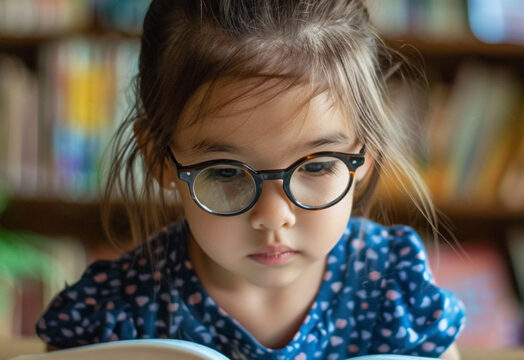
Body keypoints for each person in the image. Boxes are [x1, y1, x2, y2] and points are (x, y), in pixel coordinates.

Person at [36, 1, 465, 359]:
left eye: (316, 166)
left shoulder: (395, 288)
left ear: (365, 155)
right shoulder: (115, 314)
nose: (273, 217)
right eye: (225, 172)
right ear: (160, 160)